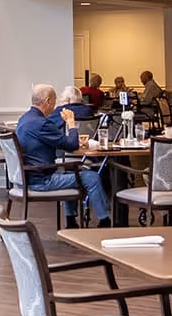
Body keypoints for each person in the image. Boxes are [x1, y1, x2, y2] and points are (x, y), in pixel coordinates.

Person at [16, 84, 111, 228]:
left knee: (73, 172)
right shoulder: (41, 123)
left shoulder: (25, 119)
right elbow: (71, 145)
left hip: (25, 177)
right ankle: (105, 221)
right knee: (92, 177)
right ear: (47, 101)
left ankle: (71, 221)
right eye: (54, 102)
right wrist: (71, 123)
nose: (55, 106)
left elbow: (61, 140)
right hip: (41, 181)